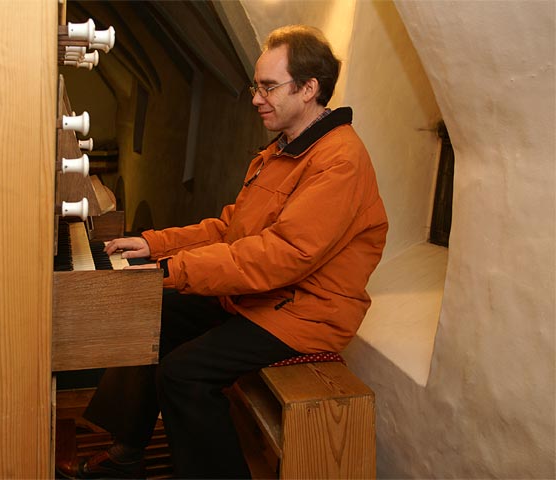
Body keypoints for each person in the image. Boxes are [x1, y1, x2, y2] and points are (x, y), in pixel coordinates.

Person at [60, 24, 388, 479]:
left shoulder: (339, 161)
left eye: (269, 87)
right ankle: (126, 452)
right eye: (257, 85)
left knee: (183, 373)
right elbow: (230, 228)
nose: (256, 98)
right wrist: (155, 244)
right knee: (146, 311)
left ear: (309, 89)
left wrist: (174, 269)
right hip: (261, 298)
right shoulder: (281, 151)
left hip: (305, 315)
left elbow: (283, 255)